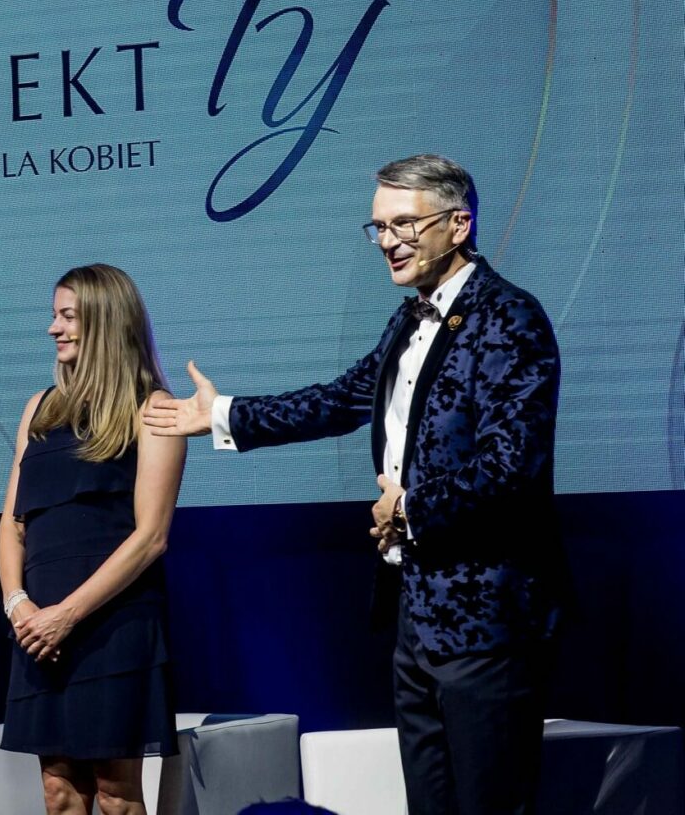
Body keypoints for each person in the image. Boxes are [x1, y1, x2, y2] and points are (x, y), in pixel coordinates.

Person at [146, 154, 566, 815]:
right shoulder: (408, 319)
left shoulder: (509, 319)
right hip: (416, 618)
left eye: (404, 224)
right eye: (379, 228)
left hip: (486, 618)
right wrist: (222, 414)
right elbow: (339, 400)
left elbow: (512, 467)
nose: (388, 241)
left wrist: (410, 509)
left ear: (458, 224)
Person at [0, 264, 186, 815]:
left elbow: (151, 537)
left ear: (105, 321)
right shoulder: (38, 409)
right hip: (37, 627)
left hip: (113, 623)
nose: (53, 328)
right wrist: (19, 605)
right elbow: (12, 525)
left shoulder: (154, 408)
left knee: (116, 794)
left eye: (67, 316)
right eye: (53, 315)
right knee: (59, 791)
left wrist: (67, 615)